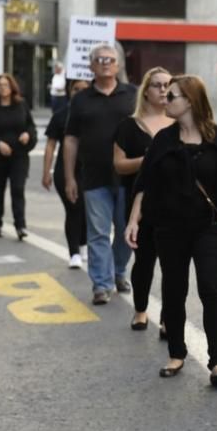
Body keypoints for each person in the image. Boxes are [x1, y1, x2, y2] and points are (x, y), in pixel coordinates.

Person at [125, 75, 217, 386]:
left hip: (208, 228)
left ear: (190, 100)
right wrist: (134, 221)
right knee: (174, 291)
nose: (164, 99)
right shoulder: (163, 140)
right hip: (169, 228)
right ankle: (176, 353)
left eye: (171, 96)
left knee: (212, 290)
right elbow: (143, 183)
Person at [64, 45, 137, 305]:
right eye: (99, 59)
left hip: (129, 177)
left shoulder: (133, 94)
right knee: (98, 232)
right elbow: (71, 139)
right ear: (91, 66)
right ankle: (101, 284)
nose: (105, 63)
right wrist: (70, 177)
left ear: (118, 66)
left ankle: (118, 271)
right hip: (93, 177)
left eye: (110, 59)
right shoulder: (80, 99)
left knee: (127, 231)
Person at [114, 67, 173, 333]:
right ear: (146, 91)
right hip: (140, 203)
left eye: (168, 85)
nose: (163, 90)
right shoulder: (129, 126)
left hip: (175, 204)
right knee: (145, 260)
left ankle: (168, 318)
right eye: (157, 85)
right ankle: (140, 310)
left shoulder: (179, 122)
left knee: (173, 264)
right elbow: (119, 165)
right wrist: (149, 160)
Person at [42, 79, 90, 267]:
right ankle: (74, 253)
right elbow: (50, 145)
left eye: (84, 89)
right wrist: (46, 172)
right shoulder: (61, 115)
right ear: (69, 91)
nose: (79, 92)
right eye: (76, 89)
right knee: (74, 209)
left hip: (90, 170)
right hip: (66, 170)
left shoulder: (94, 113)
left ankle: (84, 243)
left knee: (87, 210)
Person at [0, 73, 36, 239]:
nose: (2, 88)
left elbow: (31, 126)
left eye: (5, 85)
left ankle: (20, 225)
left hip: (19, 155)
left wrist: (28, 135)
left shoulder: (21, 105)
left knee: (18, 188)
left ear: (12, 86)